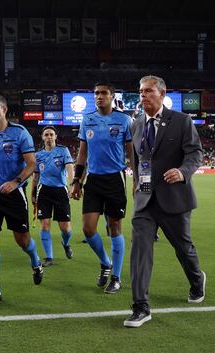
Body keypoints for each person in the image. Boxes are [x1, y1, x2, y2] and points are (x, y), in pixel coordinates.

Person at [124, 75, 206, 328]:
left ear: (162, 93)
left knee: (184, 248)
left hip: (173, 196)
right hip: (145, 198)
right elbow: (139, 159)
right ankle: (140, 307)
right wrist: (138, 182)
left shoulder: (181, 121)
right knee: (140, 252)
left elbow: (195, 153)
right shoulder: (136, 124)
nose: (143, 95)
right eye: (140, 91)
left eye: (148, 91)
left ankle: (196, 280)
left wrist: (183, 171)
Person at [0, 94, 43, 307]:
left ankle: (35, 261)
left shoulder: (20, 133)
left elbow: (32, 164)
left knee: (22, 240)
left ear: (4, 110)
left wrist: (16, 182)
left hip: (14, 193)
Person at [70, 82, 134, 294]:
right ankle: (106, 263)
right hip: (94, 180)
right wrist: (77, 181)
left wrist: (136, 180)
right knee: (88, 229)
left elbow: (132, 153)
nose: (99, 96)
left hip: (115, 179)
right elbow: (82, 153)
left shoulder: (124, 120)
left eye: (104, 93)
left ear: (112, 96)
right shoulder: (87, 119)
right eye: (96, 93)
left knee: (114, 227)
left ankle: (115, 277)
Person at [31, 126, 74, 267]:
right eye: (46, 135)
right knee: (45, 224)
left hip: (60, 191)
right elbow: (36, 176)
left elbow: (69, 168)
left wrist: (72, 185)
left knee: (66, 228)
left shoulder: (63, 151)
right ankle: (49, 257)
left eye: (51, 134)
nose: (49, 137)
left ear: (55, 136)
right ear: (42, 137)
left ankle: (66, 243)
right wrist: (32, 193)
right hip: (44, 191)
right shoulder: (38, 155)